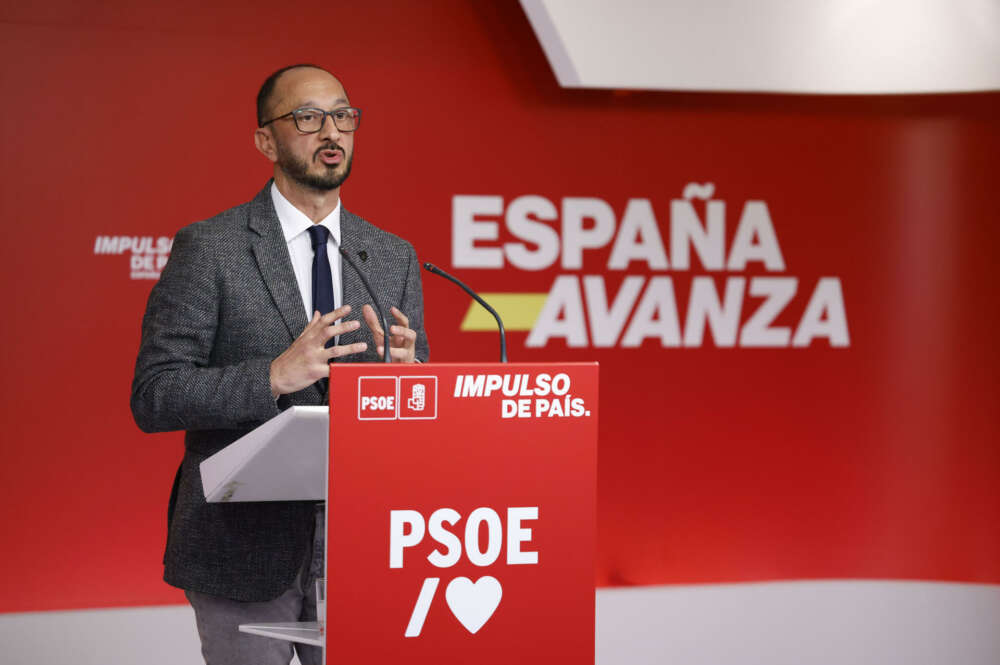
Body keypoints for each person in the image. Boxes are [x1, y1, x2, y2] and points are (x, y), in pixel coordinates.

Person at [131, 64, 429, 665]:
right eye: (308, 117)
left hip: (363, 543)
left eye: (343, 116)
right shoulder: (210, 248)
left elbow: (412, 406)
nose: (332, 132)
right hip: (241, 546)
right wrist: (271, 377)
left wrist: (409, 381)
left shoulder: (393, 255)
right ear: (266, 140)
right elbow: (156, 394)